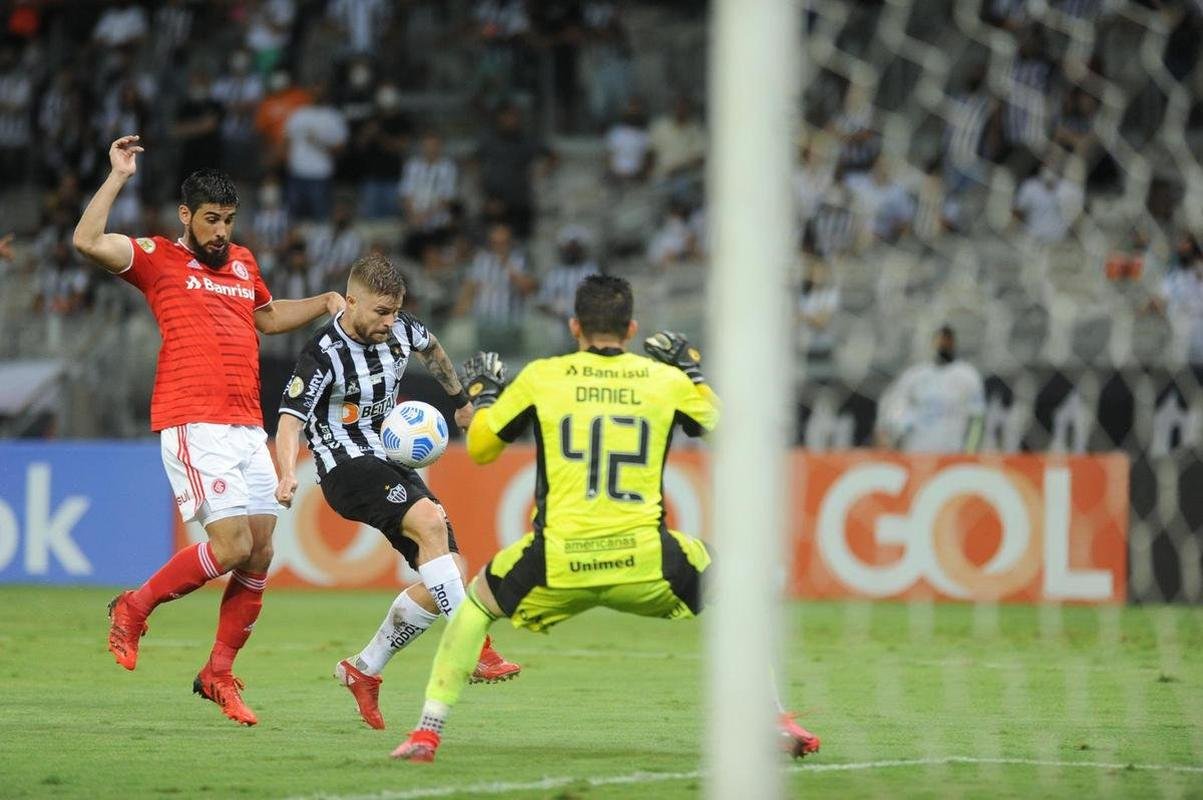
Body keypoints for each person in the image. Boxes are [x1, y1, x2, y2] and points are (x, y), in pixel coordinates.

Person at [390, 274, 820, 762]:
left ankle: (427, 732)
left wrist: (486, 396)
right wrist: (695, 376)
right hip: (645, 560)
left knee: (475, 607)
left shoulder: (542, 377)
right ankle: (776, 718)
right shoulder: (665, 381)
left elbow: (484, 448)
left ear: (574, 327)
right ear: (632, 328)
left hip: (557, 561)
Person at [72, 135, 345, 726]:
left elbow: (267, 318)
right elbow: (87, 240)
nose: (221, 231)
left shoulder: (244, 262)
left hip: (248, 424)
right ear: (186, 216)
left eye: (228, 220)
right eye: (211, 220)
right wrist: (118, 175)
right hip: (194, 420)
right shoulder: (156, 259)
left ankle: (217, 672)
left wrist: (324, 301)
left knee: (262, 551)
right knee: (231, 547)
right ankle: (134, 606)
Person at [274, 254, 519, 730]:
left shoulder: (403, 329)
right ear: (350, 302)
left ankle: (362, 669)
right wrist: (286, 472)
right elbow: (288, 421)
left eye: (395, 311)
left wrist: (463, 405)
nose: (390, 322)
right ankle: (474, 646)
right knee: (429, 520)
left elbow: (435, 349)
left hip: (389, 459)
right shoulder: (323, 353)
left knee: (445, 571)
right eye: (380, 312)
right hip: (344, 467)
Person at [876, 325, 986, 453]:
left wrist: (970, 452)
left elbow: (977, 418)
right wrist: (891, 436)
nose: (943, 344)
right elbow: (896, 410)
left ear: (953, 343)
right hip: (916, 451)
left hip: (951, 452)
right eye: (940, 340)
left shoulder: (968, 376)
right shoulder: (915, 375)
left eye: (947, 340)